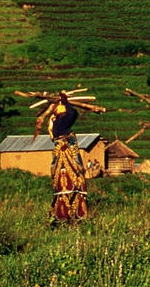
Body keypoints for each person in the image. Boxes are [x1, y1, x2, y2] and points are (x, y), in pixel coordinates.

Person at [45, 92, 87, 225]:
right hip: (60, 156)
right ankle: (62, 215)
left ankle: (74, 213)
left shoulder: (65, 119)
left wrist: (65, 101)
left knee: (73, 180)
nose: (55, 109)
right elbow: (52, 134)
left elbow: (72, 112)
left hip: (68, 153)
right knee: (61, 183)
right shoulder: (55, 121)